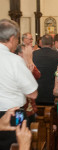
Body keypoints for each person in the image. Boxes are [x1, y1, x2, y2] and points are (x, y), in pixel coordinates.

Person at [0, 18, 38, 150]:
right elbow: (32, 93)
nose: (17, 42)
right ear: (12, 38)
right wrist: (28, 60)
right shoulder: (15, 60)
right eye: (17, 38)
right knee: (19, 143)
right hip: (15, 113)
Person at [33, 34, 58, 105]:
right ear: (52, 43)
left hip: (37, 94)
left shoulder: (33, 54)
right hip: (52, 94)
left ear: (41, 43)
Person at [15, 45, 41, 126]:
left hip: (30, 106)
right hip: (19, 106)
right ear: (19, 53)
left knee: (30, 129)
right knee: (21, 129)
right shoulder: (15, 64)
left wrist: (30, 61)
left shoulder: (27, 63)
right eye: (26, 53)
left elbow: (37, 75)